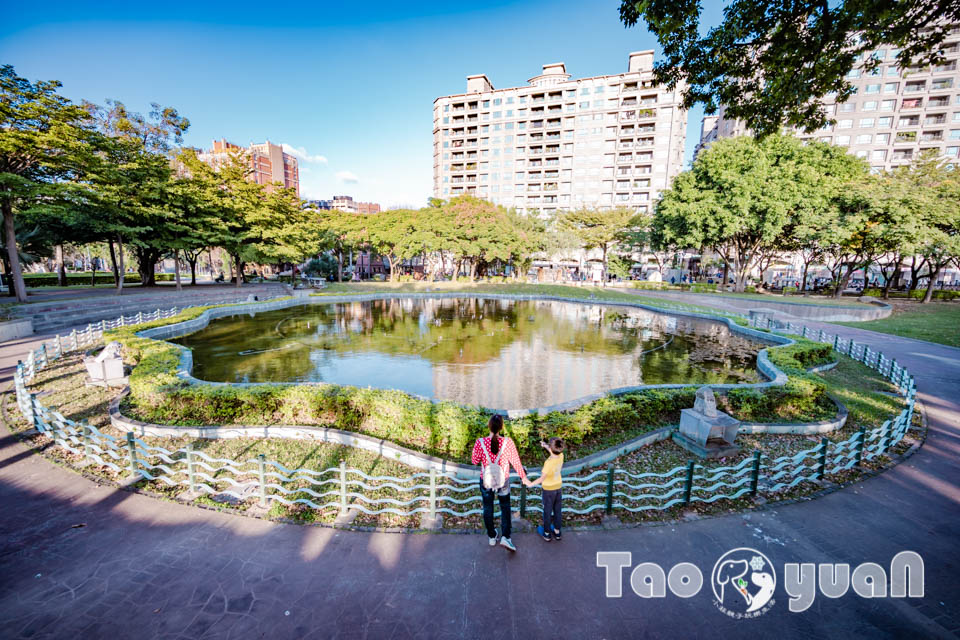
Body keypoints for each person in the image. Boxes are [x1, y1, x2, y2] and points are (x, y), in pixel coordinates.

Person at [471, 415, 528, 552]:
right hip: (503, 480)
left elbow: (474, 460)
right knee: (505, 507)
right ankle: (506, 537)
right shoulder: (508, 443)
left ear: (489, 426)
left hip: (486, 481)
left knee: (488, 507)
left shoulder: (480, 442)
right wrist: (523, 477)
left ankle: (492, 536)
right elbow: (516, 462)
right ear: (501, 427)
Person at [524, 438, 564, 541]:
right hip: (558, 487)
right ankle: (557, 531)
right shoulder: (561, 456)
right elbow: (554, 451)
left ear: (551, 448)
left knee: (547, 511)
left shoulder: (548, 463)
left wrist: (530, 483)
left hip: (548, 491)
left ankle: (546, 533)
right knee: (557, 510)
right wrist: (546, 446)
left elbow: (542, 478)